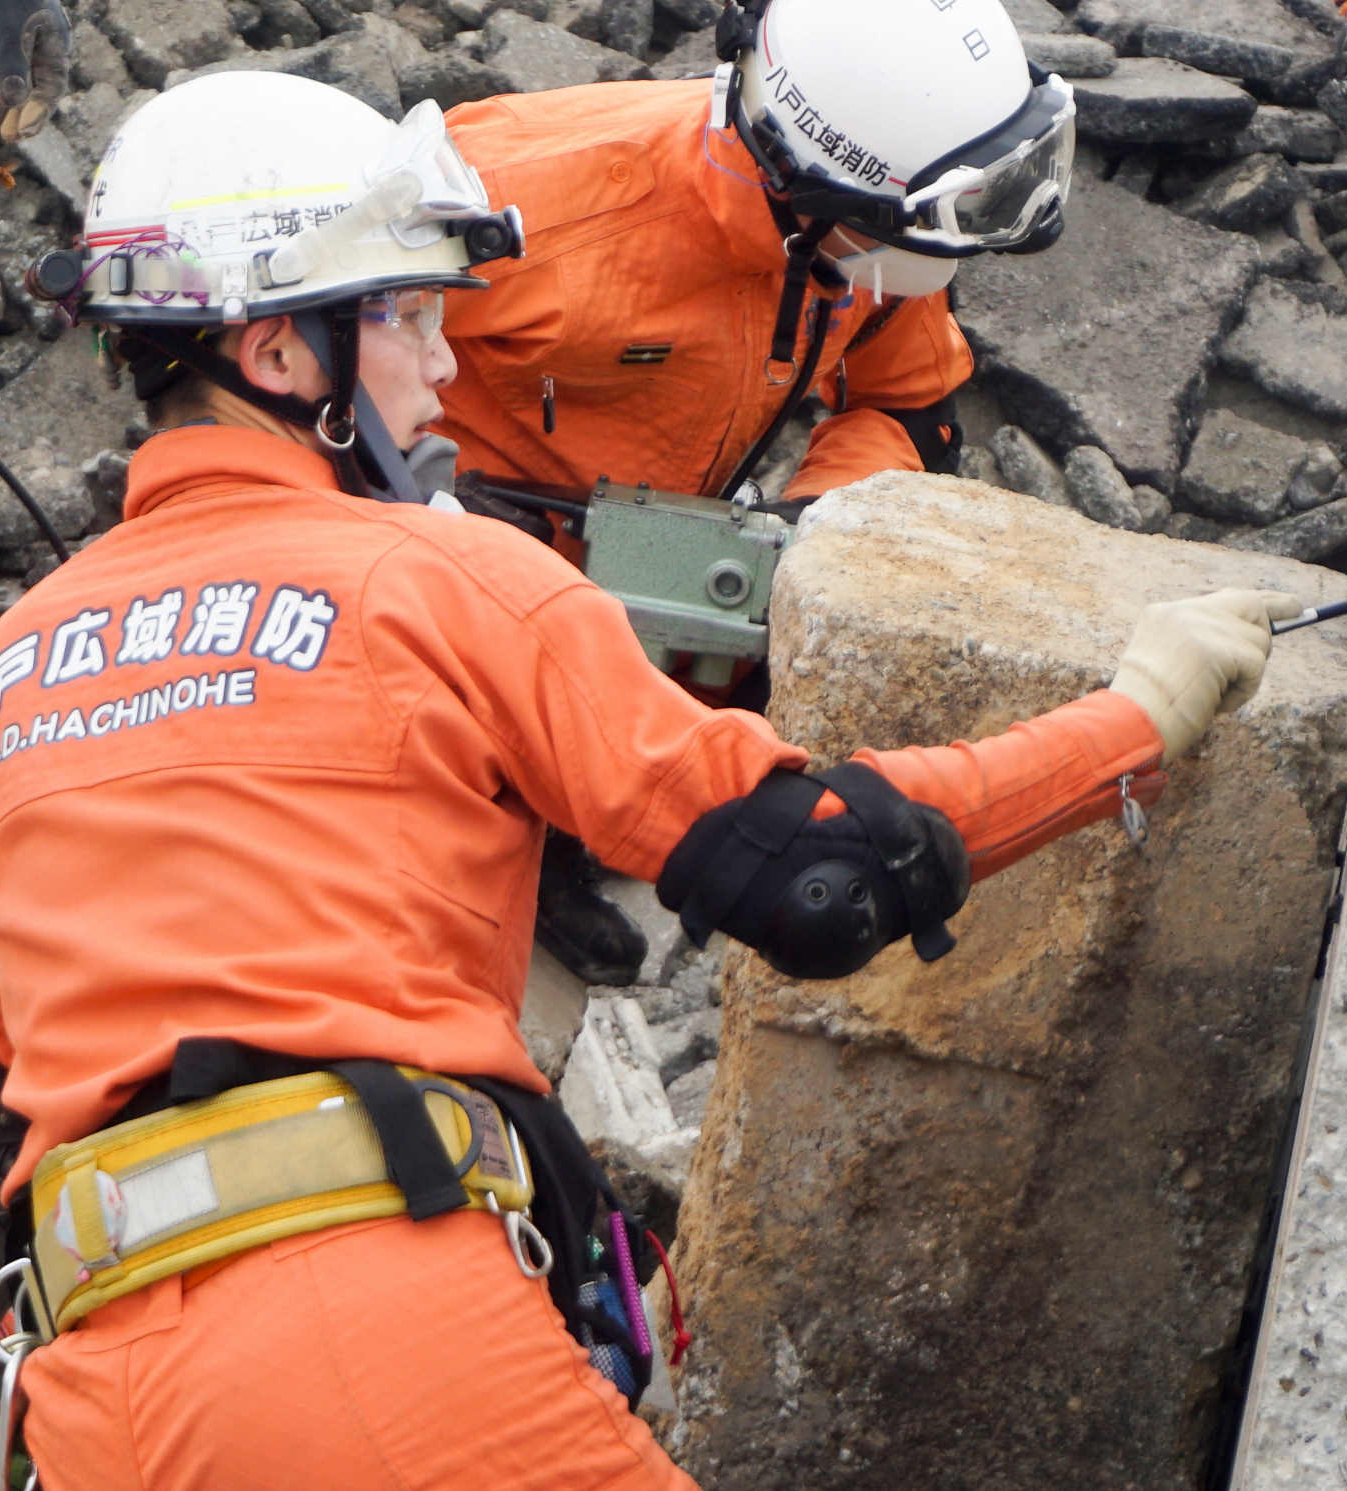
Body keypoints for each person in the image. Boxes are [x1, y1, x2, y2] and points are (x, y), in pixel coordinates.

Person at [0, 69, 1297, 1491]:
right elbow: (822, 877)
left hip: (91, 1379)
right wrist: (1140, 713)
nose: (444, 368)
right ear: (277, 354)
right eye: (408, 317)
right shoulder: (447, 578)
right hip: (378, 1328)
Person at [432, 0, 1078, 982]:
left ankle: (597, 820)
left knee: (792, 641)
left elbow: (912, 405)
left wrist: (809, 536)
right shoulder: (520, 198)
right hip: (453, 560)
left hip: (652, 559)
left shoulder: (863, 235)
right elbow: (296, 366)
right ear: (826, 180)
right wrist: (415, 508)